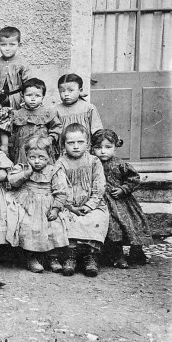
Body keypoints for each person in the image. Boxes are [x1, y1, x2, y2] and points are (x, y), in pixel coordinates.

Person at [5, 136, 69, 273]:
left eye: (41, 157)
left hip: (48, 203)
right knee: (29, 227)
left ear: (49, 156)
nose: (37, 161)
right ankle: (31, 257)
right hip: (28, 202)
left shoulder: (54, 170)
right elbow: (12, 181)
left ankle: (52, 257)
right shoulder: (21, 168)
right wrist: (26, 174)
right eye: (32, 157)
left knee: (53, 228)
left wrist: (56, 208)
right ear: (26, 156)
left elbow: (61, 191)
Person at [91, 129, 151, 268]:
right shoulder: (92, 163)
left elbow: (134, 179)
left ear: (116, 147)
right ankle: (116, 255)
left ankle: (137, 252)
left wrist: (123, 189)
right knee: (112, 226)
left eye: (108, 147)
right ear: (92, 148)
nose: (103, 151)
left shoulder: (120, 164)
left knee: (131, 223)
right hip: (101, 200)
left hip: (121, 201)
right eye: (98, 147)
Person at [58, 123, 109, 277]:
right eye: (70, 143)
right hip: (69, 206)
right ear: (63, 144)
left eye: (80, 142)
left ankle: (90, 257)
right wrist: (70, 206)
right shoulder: (61, 163)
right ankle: (70, 256)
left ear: (88, 144)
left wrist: (89, 205)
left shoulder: (94, 161)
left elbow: (99, 185)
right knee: (66, 219)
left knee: (97, 218)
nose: (75, 146)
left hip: (93, 204)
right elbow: (60, 187)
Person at [3, 78, 62, 164]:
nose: (33, 99)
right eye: (29, 95)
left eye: (37, 96)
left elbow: (57, 127)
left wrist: (50, 139)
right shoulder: (17, 114)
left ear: (43, 97)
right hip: (22, 152)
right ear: (22, 95)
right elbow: (11, 134)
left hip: (42, 149)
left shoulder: (47, 113)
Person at [56, 74, 103, 142]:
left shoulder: (88, 108)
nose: (66, 94)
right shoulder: (56, 110)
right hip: (63, 150)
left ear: (80, 90)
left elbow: (97, 132)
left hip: (86, 150)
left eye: (70, 90)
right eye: (62, 91)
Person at [0, 26, 32, 109]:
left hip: (16, 100)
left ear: (19, 44)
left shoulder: (22, 64)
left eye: (12, 45)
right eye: (3, 45)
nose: (7, 48)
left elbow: (29, 84)